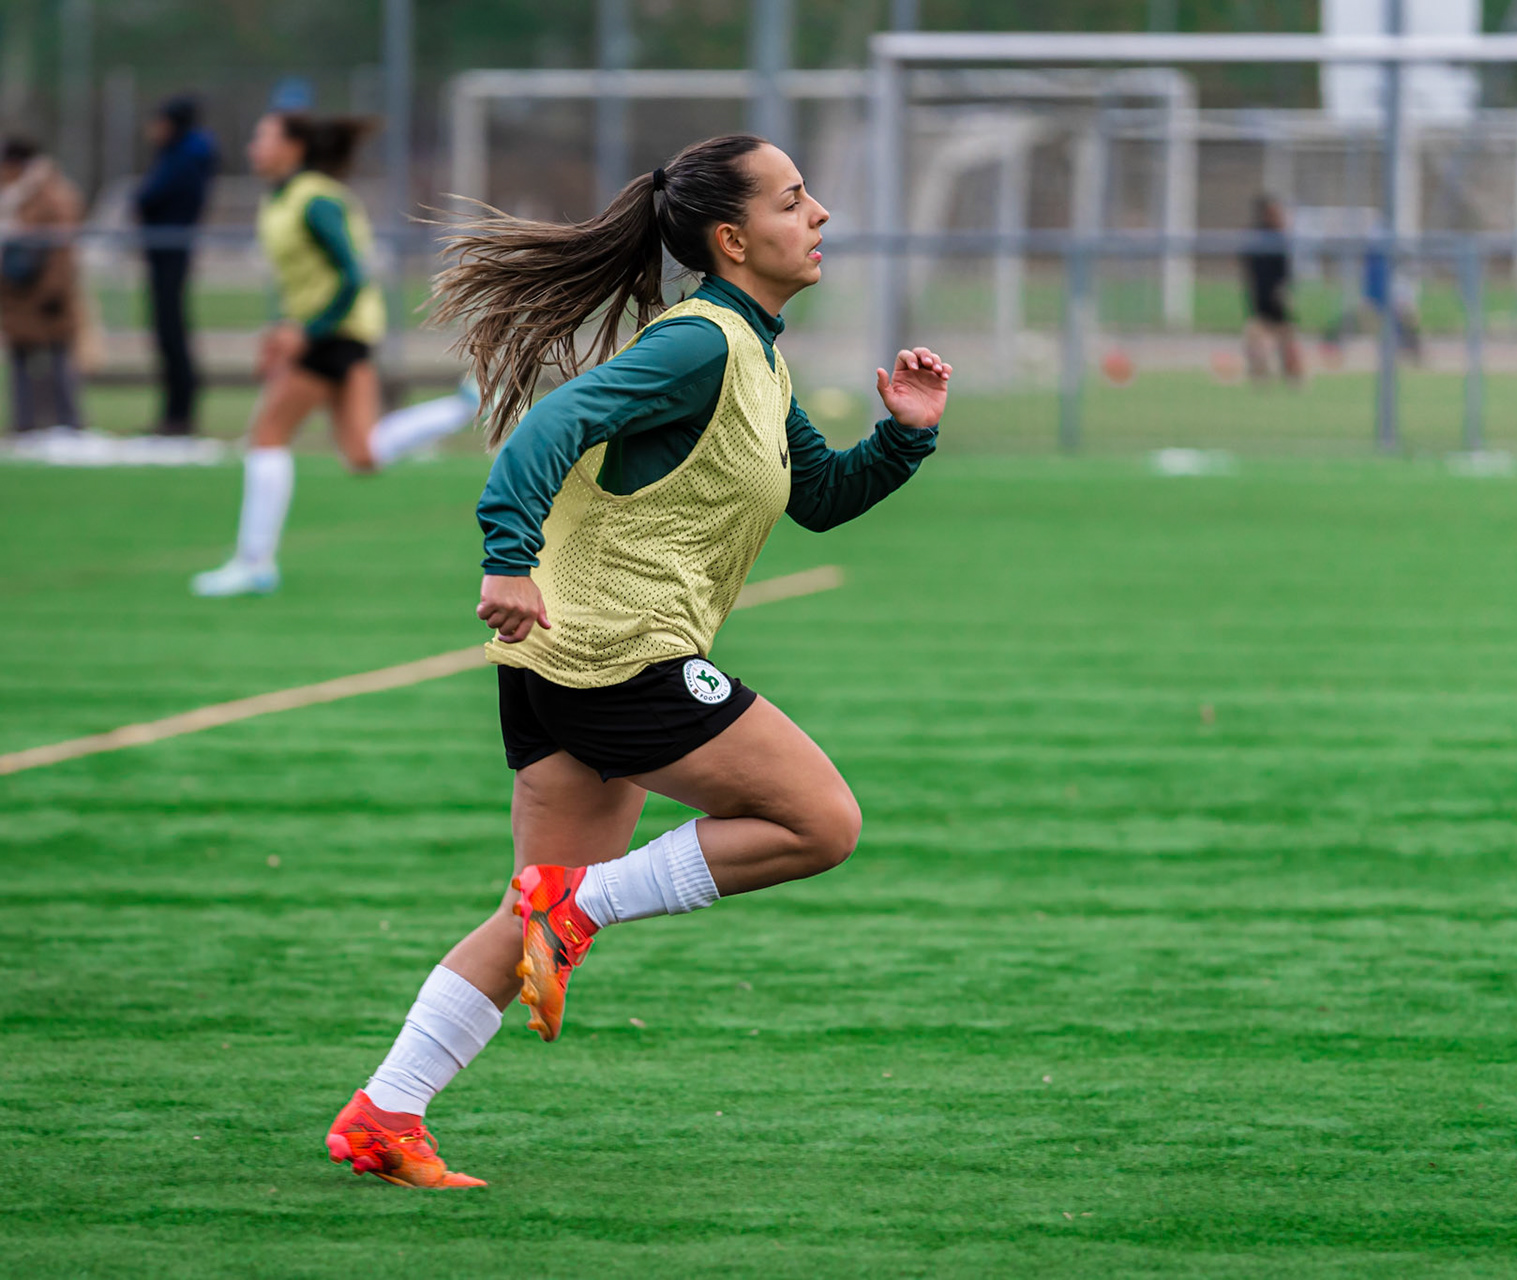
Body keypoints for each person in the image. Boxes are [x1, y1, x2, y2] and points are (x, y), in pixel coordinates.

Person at [323, 133, 952, 1189]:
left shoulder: (752, 350)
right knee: (819, 822)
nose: (822, 215)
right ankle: (583, 905)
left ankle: (384, 1112)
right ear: (732, 237)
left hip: (564, 661)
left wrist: (904, 438)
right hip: (615, 654)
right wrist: (508, 556)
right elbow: (554, 421)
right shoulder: (700, 343)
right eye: (796, 199)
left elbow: (821, 496)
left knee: (536, 906)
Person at [190, 110, 475, 598]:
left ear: (294, 146)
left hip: (335, 334)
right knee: (361, 454)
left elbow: (351, 276)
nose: (253, 146)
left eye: (264, 136)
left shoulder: (316, 200)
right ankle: (465, 406)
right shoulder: (280, 199)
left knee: (266, 437)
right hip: (340, 333)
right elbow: (303, 280)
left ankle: (254, 563)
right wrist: (283, 329)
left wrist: (308, 332)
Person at [134, 94, 219, 437]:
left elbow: (149, 196)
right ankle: (173, 414)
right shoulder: (182, 154)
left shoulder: (184, 158)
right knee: (166, 332)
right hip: (163, 250)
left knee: (172, 332)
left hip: (172, 250)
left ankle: (179, 415)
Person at [0, 137, 85, 436]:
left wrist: (54, 291)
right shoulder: (14, 196)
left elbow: (61, 251)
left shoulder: (50, 194)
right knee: (23, 359)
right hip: (17, 297)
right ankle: (25, 426)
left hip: (46, 294)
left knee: (58, 358)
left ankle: (68, 425)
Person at [1242, 194, 1305, 386]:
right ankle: (1260, 375)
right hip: (1262, 296)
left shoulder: (1280, 239)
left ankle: (1292, 375)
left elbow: (1285, 272)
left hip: (1276, 296)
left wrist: (1286, 293)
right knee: (1257, 337)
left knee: (1285, 337)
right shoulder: (1257, 238)